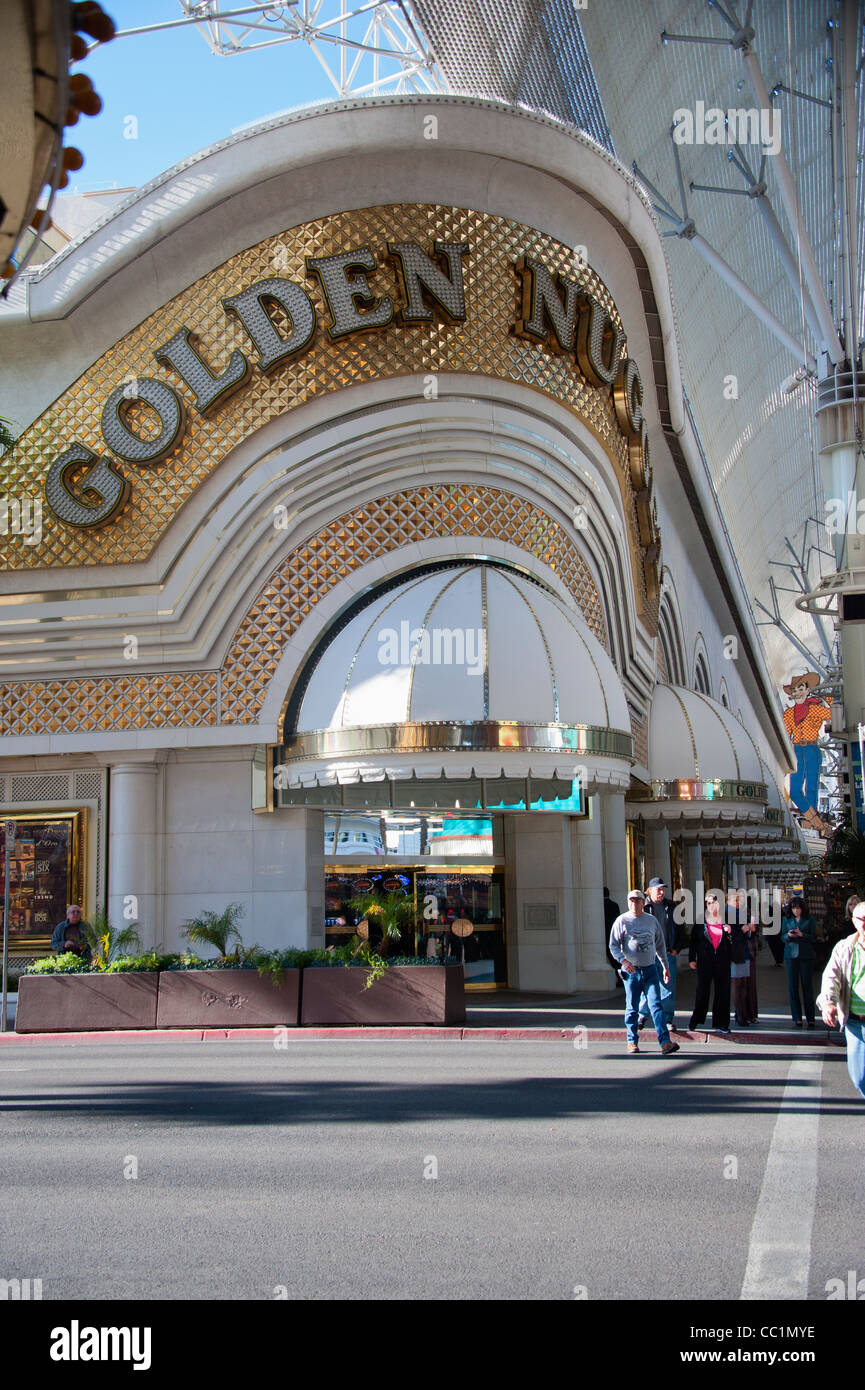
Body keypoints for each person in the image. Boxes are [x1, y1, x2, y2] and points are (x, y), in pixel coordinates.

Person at [608, 889, 680, 1056]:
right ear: (628, 903)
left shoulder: (651, 921)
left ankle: (665, 1042)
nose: (634, 904)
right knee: (632, 1008)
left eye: (637, 901)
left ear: (643, 903)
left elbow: (660, 945)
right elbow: (613, 945)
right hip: (631, 972)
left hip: (650, 969)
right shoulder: (622, 921)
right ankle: (632, 1041)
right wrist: (624, 961)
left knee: (656, 1005)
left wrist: (665, 967)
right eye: (631, 901)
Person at [817, 900, 865, 1100]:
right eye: (862, 919)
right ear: (854, 921)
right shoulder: (844, 948)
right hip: (854, 1021)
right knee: (859, 1077)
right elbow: (831, 977)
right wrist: (828, 1003)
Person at [637, 876, 687, 1031]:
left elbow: (680, 930)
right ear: (649, 891)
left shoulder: (672, 907)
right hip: (648, 955)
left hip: (667, 953)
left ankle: (667, 1019)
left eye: (663, 889)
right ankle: (642, 1015)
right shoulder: (643, 907)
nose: (661, 892)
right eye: (658, 889)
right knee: (647, 986)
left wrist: (676, 949)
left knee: (668, 988)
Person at [688, 891, 736, 1033]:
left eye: (713, 902)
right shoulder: (701, 921)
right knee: (702, 991)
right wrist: (692, 959)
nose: (710, 905)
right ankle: (696, 1020)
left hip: (722, 961)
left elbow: (736, 941)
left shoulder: (728, 920)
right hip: (705, 961)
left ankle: (721, 1024)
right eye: (708, 903)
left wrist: (731, 932)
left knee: (723, 993)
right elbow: (694, 942)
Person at [782, 896, 817, 1027]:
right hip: (790, 956)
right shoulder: (786, 919)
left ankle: (811, 1017)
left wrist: (803, 935)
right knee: (793, 987)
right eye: (794, 908)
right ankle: (797, 1017)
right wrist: (788, 936)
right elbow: (782, 936)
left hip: (806, 956)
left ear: (802, 908)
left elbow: (814, 937)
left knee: (807, 987)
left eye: (798, 908)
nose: (796, 911)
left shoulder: (810, 920)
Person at [730, 887, 758, 1027]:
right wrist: (742, 931)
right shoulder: (727, 914)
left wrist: (751, 930)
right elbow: (728, 935)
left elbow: (751, 934)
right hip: (734, 953)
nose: (738, 902)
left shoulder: (744, 913)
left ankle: (743, 1013)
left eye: (740, 899)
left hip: (745, 952)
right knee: (737, 984)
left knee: (743, 984)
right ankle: (739, 1014)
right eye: (735, 899)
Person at [603, 886, 623, 987]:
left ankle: (620, 977)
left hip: (605, 934)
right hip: (614, 933)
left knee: (612, 957)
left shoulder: (602, 905)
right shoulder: (615, 905)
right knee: (615, 957)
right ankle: (620, 977)